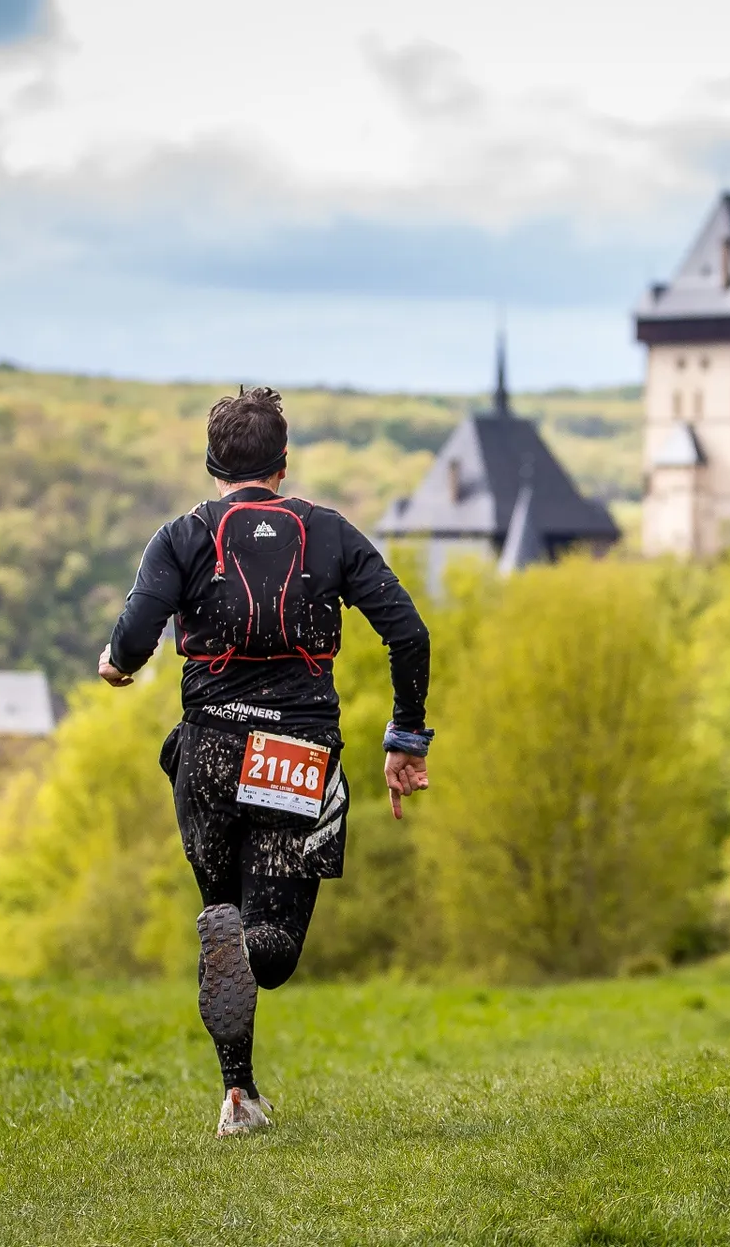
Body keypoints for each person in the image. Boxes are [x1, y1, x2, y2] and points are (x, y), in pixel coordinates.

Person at [98, 385, 432, 1136]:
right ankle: (246, 975)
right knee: (269, 950)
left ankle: (238, 1094)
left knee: (221, 912)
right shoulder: (329, 533)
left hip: (209, 750)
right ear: (283, 464)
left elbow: (132, 639)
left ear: (212, 463)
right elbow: (409, 634)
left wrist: (116, 667)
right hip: (295, 751)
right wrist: (405, 738)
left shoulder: (181, 536)